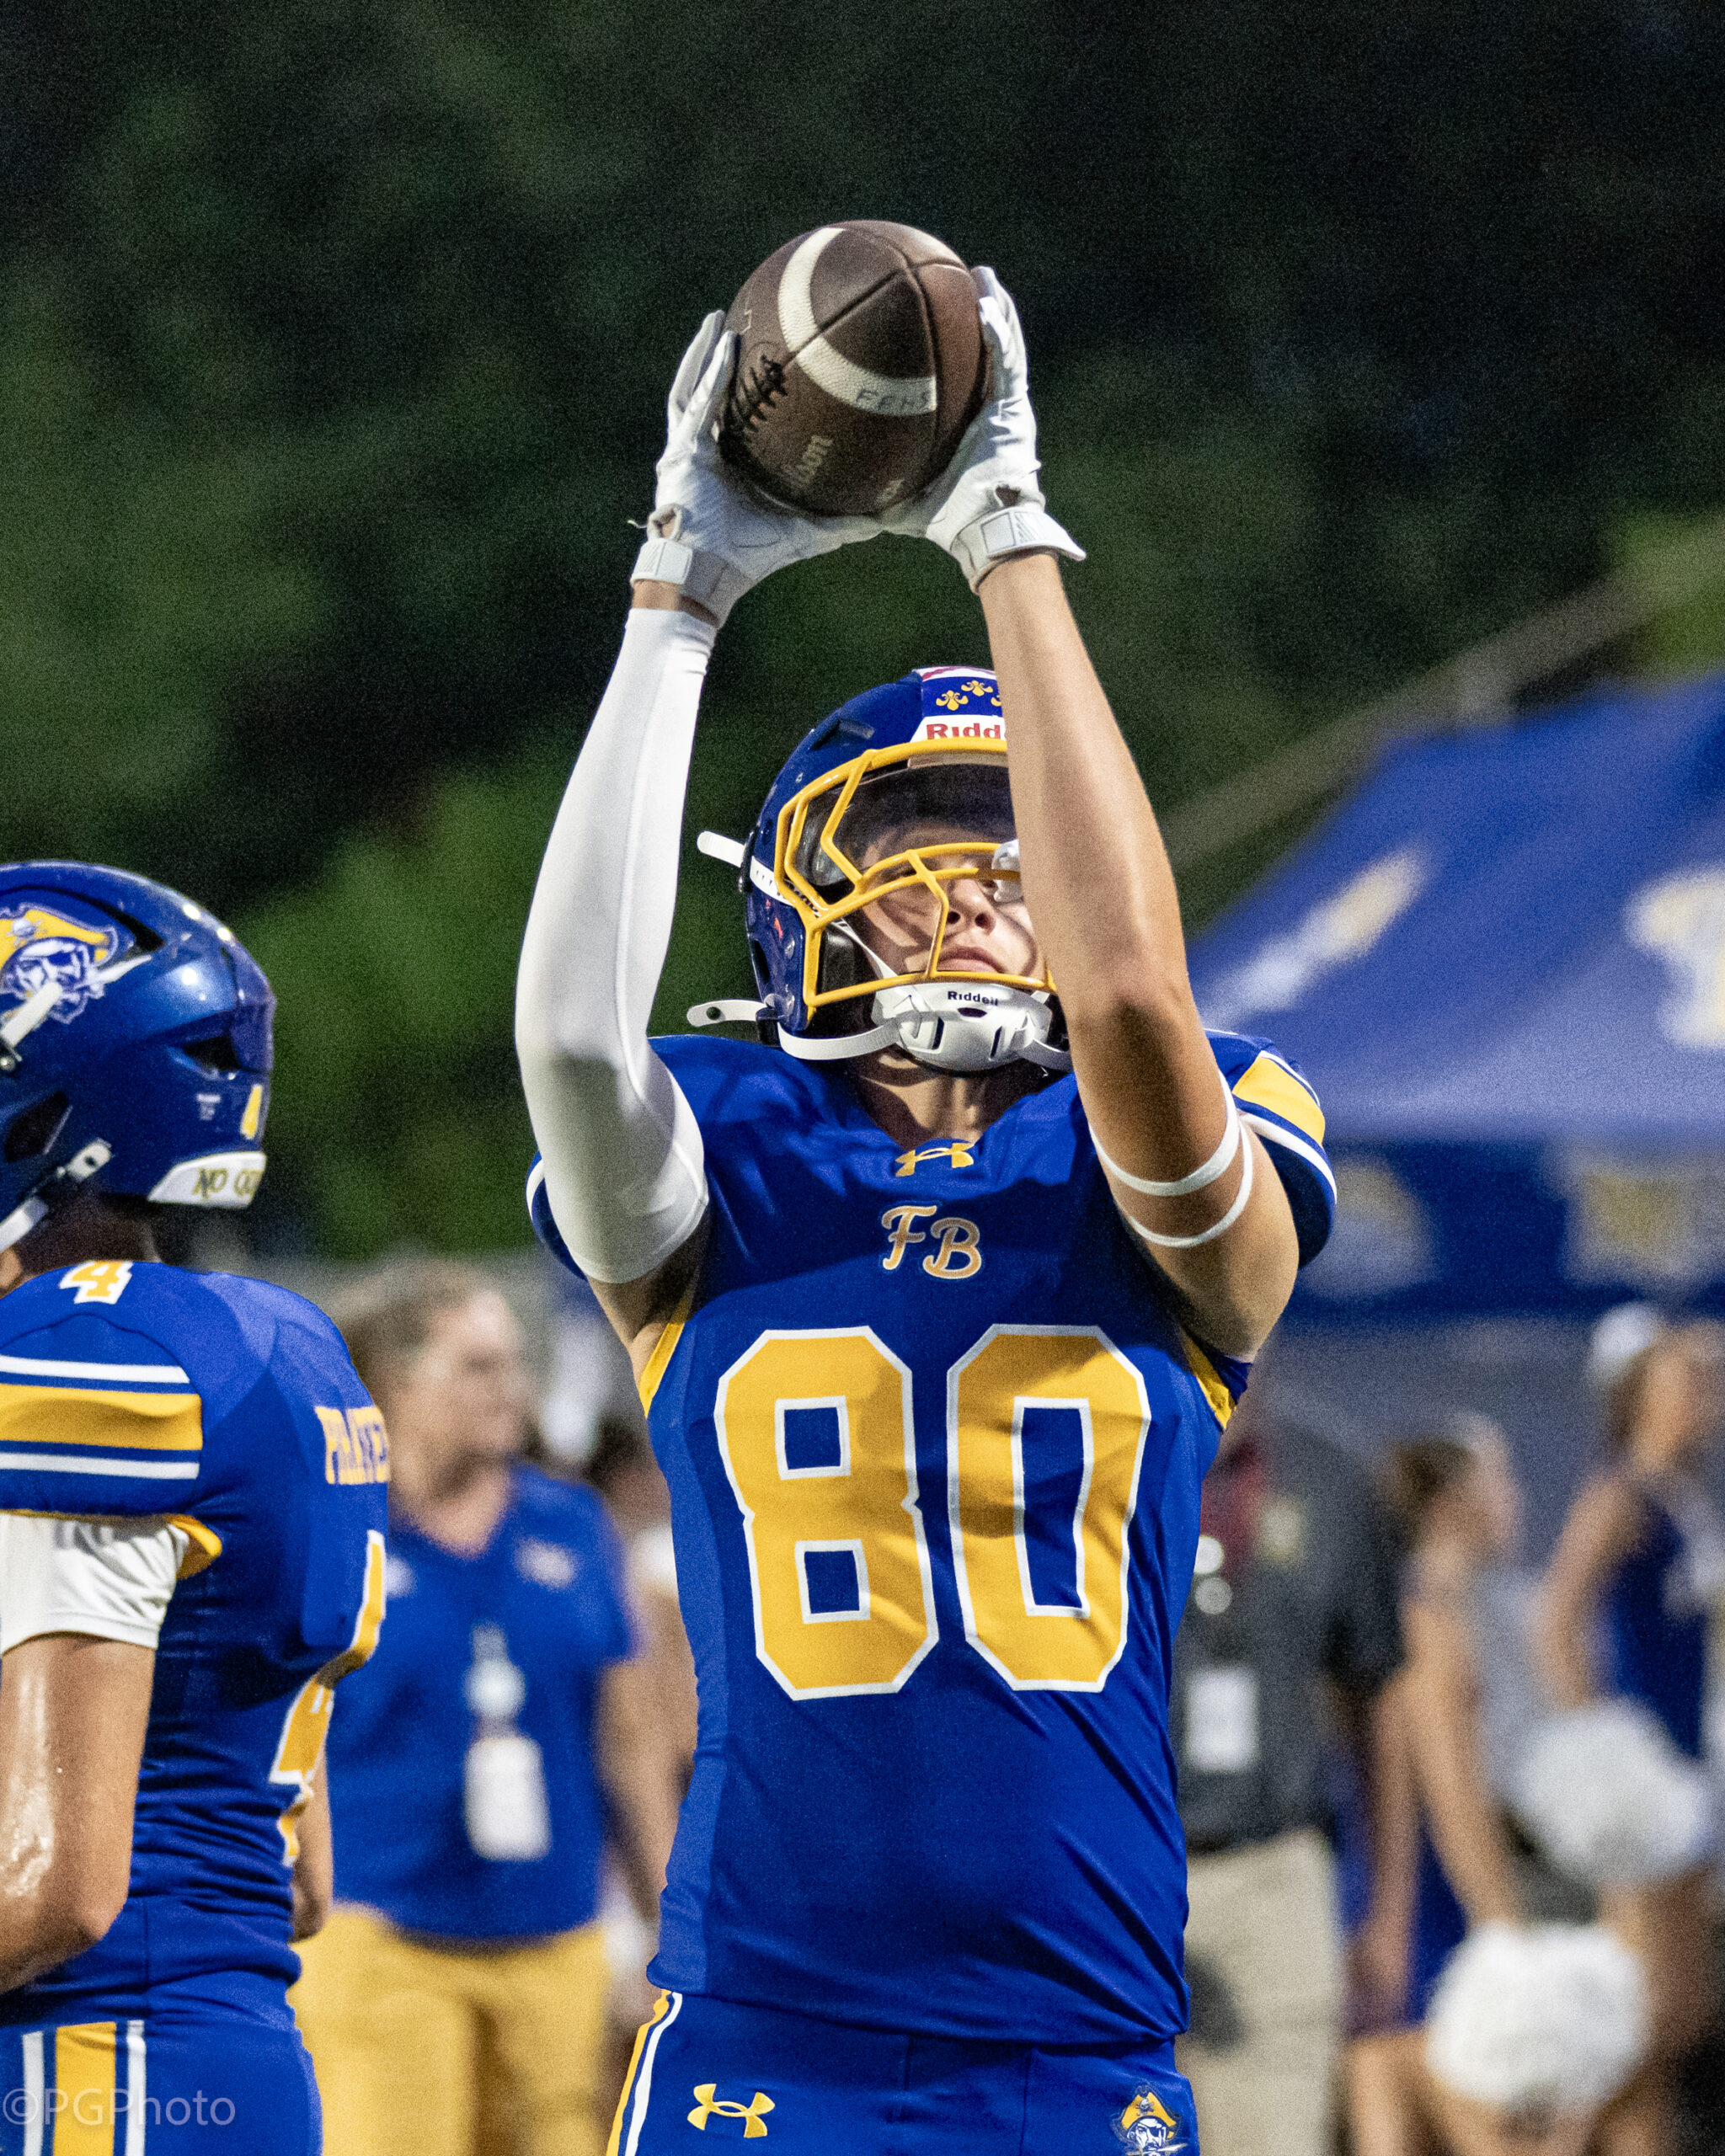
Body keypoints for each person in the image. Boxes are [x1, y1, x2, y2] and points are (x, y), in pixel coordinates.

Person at [513, 273, 1337, 2154]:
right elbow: (566, 1033)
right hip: (761, 2028)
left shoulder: (1190, 1123)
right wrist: (678, 590)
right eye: (911, 850)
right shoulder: (733, 1144)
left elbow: (1132, 1009)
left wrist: (1003, 524)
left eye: (1017, 857)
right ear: (799, 894)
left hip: (1073, 2045)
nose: (973, 888)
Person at [0, 861, 387, 2153]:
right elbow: (303, 1880)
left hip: (88, 2070)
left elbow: (58, 1888)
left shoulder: (75, 1361)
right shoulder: (281, 1338)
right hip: (225, 2058)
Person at [288, 1260, 680, 2156]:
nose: (510, 1385)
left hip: (556, 1932)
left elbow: (629, 1735)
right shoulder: (339, 1530)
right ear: (394, 1384)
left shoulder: (570, 1522)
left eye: (512, 1361)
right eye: (476, 1366)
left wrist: (666, 1914)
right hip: (381, 1932)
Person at [1169, 1374, 1404, 2156]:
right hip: (1130, 1874)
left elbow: (1378, 1703)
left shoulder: (1330, 1479)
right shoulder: (1101, 1458)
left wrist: (1390, 1909)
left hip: (1275, 1869)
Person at [1536, 1309, 1725, 2142]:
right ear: (1640, 1394)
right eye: (1687, 1381)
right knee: (1639, 2014)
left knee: (1682, 2009)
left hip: (1689, 1772)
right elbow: (1555, 1619)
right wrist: (1602, 1751)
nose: (1707, 1395)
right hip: (1646, 1789)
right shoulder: (1618, 1494)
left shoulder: (1682, 1495)